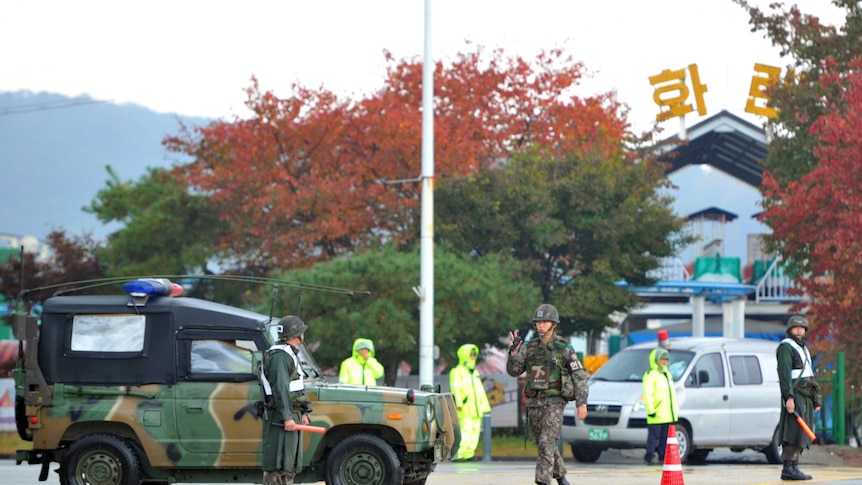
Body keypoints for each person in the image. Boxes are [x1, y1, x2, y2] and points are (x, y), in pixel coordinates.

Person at [507, 303, 588, 485]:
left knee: (546, 442)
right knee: (545, 444)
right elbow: (515, 371)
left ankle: (543, 482)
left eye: (545, 321)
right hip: (534, 403)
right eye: (538, 322)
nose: (541, 325)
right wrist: (513, 352)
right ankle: (561, 477)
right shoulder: (529, 347)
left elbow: (579, 375)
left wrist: (581, 402)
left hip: (555, 402)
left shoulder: (563, 348)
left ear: (554, 324)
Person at [261, 315, 312, 485]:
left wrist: (304, 412)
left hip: (291, 415)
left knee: (289, 463)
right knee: (278, 465)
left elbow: (296, 386)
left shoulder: (289, 354)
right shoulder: (279, 357)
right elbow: (280, 389)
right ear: (296, 335)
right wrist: (287, 417)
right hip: (281, 417)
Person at [777, 314, 821, 481]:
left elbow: (810, 376)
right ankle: (788, 467)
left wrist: (816, 398)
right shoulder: (786, 348)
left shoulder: (803, 349)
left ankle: (794, 466)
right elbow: (785, 376)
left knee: (801, 432)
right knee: (792, 432)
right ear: (790, 329)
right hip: (795, 396)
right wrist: (789, 397)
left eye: (802, 328)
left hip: (805, 397)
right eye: (796, 327)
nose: (799, 330)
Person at [449, 343, 492, 462]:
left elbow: (480, 390)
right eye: (471, 354)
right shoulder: (457, 371)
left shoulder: (474, 372)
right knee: (465, 430)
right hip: (465, 407)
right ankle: (460, 454)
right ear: (464, 355)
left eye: (474, 354)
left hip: (476, 408)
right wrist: (459, 404)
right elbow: (455, 389)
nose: (473, 356)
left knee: (474, 431)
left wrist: (485, 405)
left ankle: (469, 453)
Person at [642, 347, 679, 465]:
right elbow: (648, 394)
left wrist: (674, 412)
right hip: (656, 414)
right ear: (656, 359)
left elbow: (671, 395)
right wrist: (651, 410)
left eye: (666, 359)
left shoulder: (667, 374)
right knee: (653, 437)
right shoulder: (650, 375)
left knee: (664, 438)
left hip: (667, 414)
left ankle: (663, 456)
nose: (665, 361)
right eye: (662, 359)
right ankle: (650, 455)